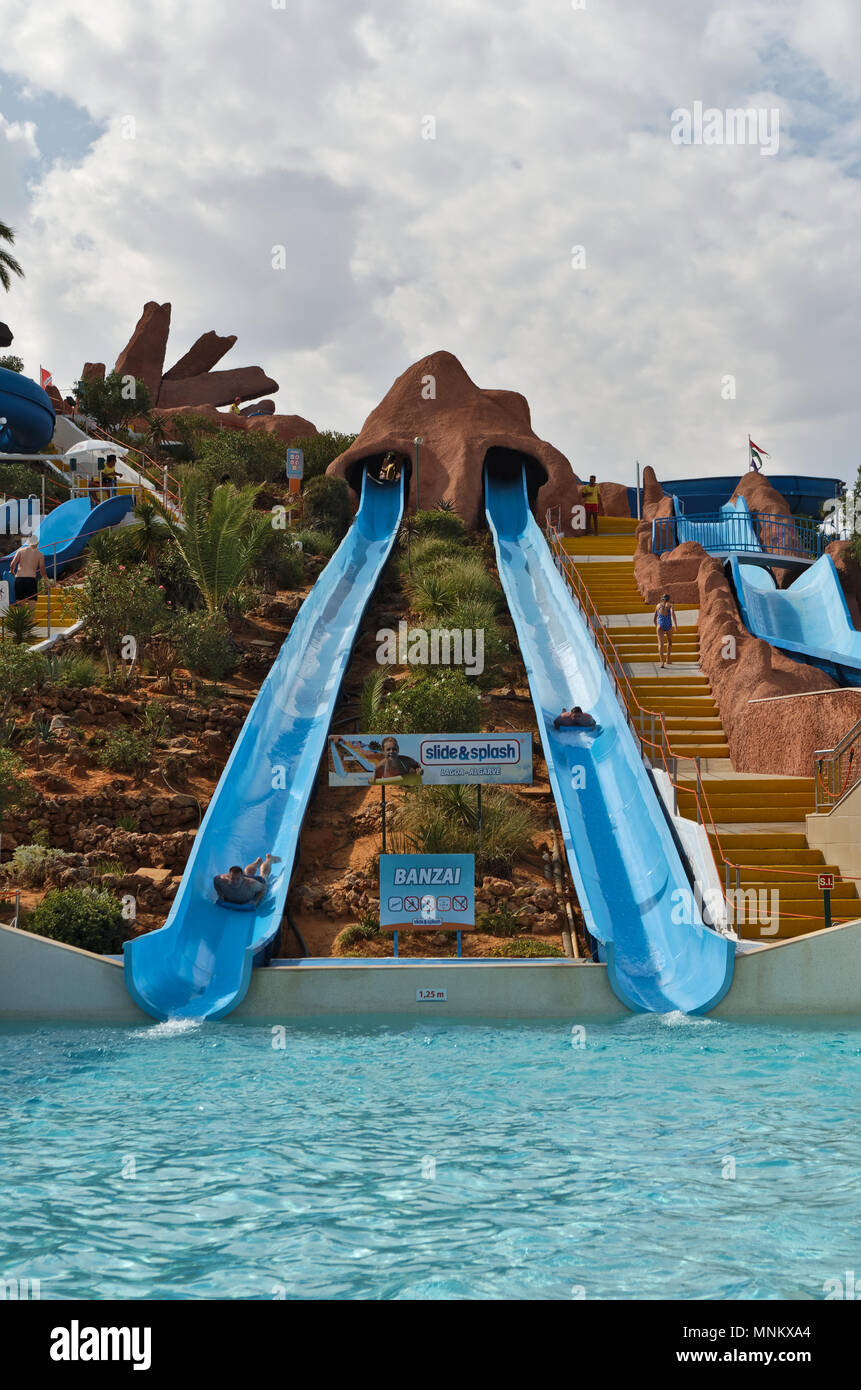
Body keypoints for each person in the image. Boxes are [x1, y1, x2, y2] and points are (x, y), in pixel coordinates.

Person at [214, 853, 281, 907]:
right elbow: (215, 880)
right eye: (232, 879)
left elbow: (264, 888)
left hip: (255, 882)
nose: (235, 882)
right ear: (229, 877)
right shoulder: (222, 880)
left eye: (237, 879)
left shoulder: (251, 884)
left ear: (243, 878)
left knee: (264, 875)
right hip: (243, 878)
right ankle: (257, 863)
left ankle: (269, 859)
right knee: (247, 873)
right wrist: (220, 893)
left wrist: (256, 901)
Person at [9, 535, 49, 605]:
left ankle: (22, 615)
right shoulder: (40, 555)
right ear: (37, 543)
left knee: (20, 605)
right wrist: (46, 580)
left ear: (28, 542)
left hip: (19, 579)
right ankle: (32, 616)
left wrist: (12, 571)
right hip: (31, 580)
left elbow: (12, 564)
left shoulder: (20, 551)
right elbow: (42, 569)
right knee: (32, 604)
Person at [654, 592, 678, 668]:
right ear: (669, 599)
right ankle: (667, 659)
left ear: (662, 599)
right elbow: (672, 613)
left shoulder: (658, 606)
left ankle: (662, 662)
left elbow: (654, 618)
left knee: (660, 644)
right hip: (668, 625)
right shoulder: (670, 605)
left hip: (660, 626)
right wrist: (676, 625)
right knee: (669, 641)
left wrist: (657, 625)